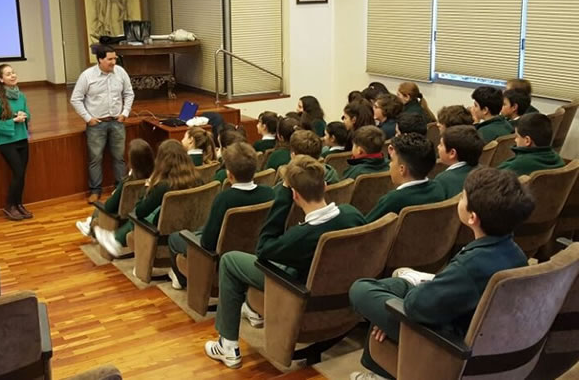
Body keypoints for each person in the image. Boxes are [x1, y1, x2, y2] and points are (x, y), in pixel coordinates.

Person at [348, 168, 534, 380]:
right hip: (464, 325)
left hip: (443, 341)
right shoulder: (516, 253)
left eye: (463, 197)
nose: (459, 199)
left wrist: (391, 315)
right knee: (396, 287)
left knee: (361, 290)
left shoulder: (469, 266)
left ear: (472, 217)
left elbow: (414, 307)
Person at [203, 156, 365, 369]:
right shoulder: (352, 214)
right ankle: (249, 310)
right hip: (344, 298)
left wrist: (282, 196)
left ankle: (227, 345)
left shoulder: (300, 237)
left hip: (299, 292)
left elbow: (263, 249)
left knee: (230, 260)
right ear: (325, 186)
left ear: (295, 195)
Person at [167, 142, 274, 289]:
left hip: (219, 257)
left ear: (229, 174)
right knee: (199, 230)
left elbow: (207, 243)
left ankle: (181, 280)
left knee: (174, 238)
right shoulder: (269, 193)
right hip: (255, 252)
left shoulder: (224, 199)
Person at [94, 139, 201, 258]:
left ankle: (116, 240)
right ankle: (116, 239)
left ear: (163, 161)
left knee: (137, 217)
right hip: (191, 227)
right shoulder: (197, 179)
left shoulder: (164, 186)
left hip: (160, 231)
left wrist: (148, 187)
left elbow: (140, 212)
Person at [71, 44, 135, 204]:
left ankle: (120, 190)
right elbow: (75, 99)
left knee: (119, 158)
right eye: (110, 59)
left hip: (117, 122)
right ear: (100, 59)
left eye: (115, 58)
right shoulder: (87, 76)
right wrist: (88, 118)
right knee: (95, 158)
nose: (113, 62)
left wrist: (125, 113)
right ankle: (95, 191)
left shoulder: (121, 72)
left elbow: (129, 93)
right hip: (96, 124)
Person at [75, 138, 154, 237]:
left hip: (124, 216)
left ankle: (90, 226)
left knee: (99, 209)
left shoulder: (127, 183)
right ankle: (89, 223)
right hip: (141, 214)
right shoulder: (156, 178)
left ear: (132, 160)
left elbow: (109, 207)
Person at [365, 133, 446, 222]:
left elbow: (366, 226)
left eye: (392, 160)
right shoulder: (438, 188)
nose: (389, 164)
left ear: (402, 169)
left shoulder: (392, 200)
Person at [0, 64, 32, 221]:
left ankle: (18, 204)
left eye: (13, 73)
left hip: (22, 138)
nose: (13, 76)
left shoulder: (21, 96)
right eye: (8, 74)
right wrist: (13, 120)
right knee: (18, 173)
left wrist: (24, 115)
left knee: (21, 174)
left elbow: (28, 115)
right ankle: (9, 206)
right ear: (1, 79)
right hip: (6, 142)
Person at [497, 113, 565, 176]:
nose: (515, 140)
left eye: (517, 136)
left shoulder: (513, 166)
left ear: (527, 141)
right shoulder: (559, 160)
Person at [432, 125, 484, 198]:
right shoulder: (484, 172)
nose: (438, 147)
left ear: (452, 153)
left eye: (441, 144)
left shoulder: (442, 180)